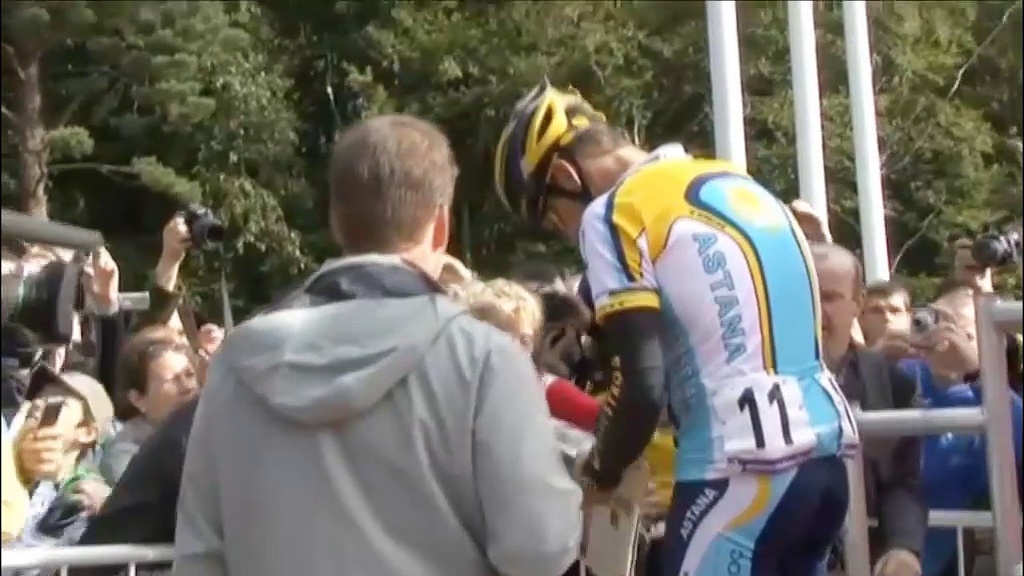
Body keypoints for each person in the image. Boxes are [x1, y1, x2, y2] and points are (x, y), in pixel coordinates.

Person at [173, 114, 582, 576]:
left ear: (336, 221)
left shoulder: (237, 360)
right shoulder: (484, 357)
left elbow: (199, 552)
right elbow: (539, 548)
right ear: (441, 225)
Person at [493, 80, 858, 576]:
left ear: (563, 174)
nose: (566, 232)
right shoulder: (737, 182)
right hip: (826, 459)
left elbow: (641, 386)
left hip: (738, 475)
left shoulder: (613, 212)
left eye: (553, 217)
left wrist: (599, 471)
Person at [811, 243, 926, 576]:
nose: (815, 308)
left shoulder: (892, 383)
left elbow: (902, 480)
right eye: (805, 294)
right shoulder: (752, 378)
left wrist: (903, 548)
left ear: (857, 304)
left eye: (828, 297)